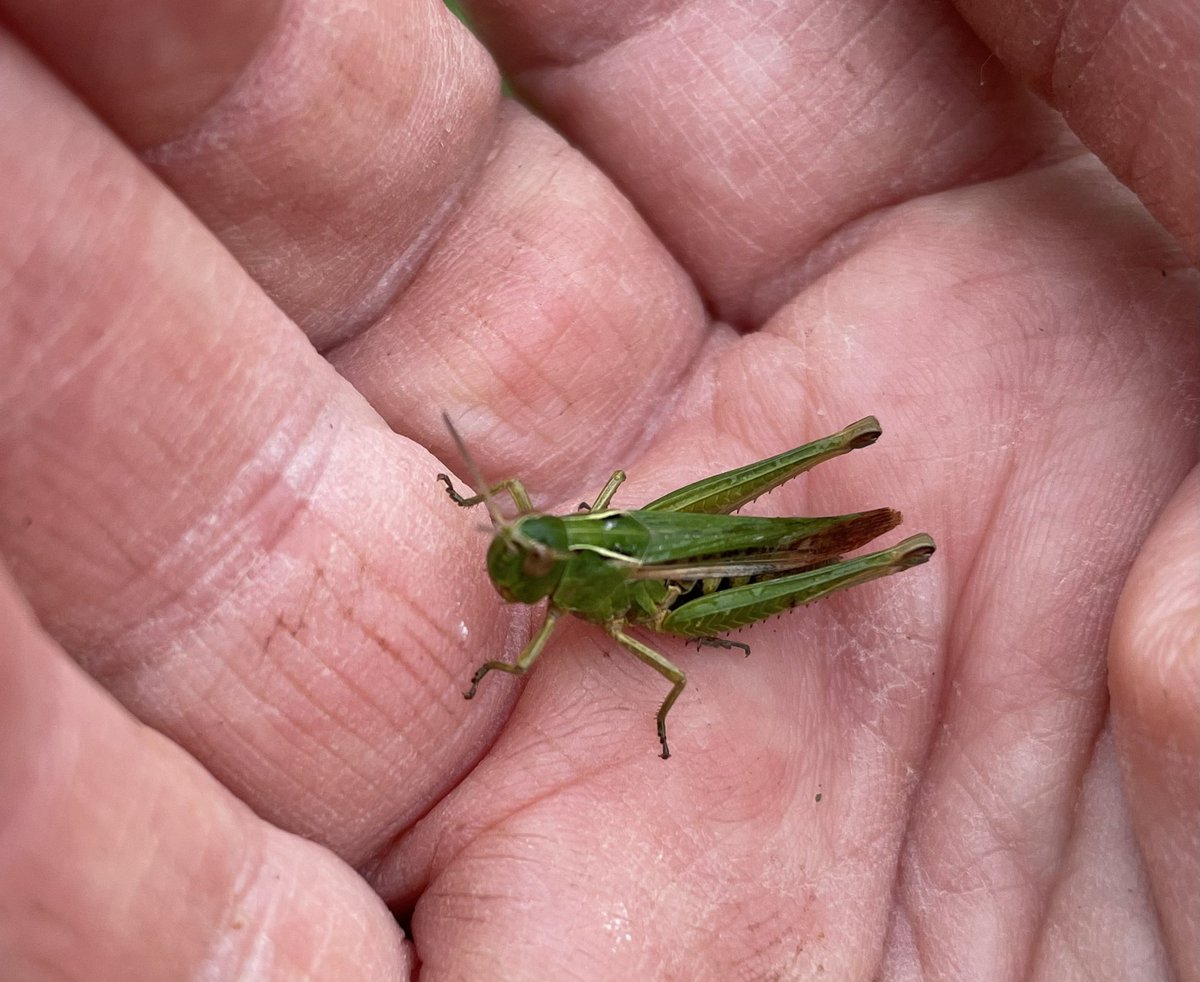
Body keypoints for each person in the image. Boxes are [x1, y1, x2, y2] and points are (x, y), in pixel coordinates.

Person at [1, 0, 1195, 977]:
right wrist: (492, 508)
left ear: (551, 556)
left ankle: (871, 555)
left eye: (518, 543)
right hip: (643, 542)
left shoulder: (581, 606)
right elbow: (527, 514)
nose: (512, 544)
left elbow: (648, 661)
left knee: (691, 612)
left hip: (679, 586)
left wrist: (638, 664)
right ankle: (862, 546)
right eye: (514, 539)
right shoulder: (549, 539)